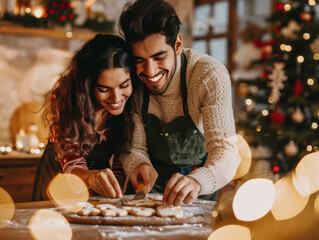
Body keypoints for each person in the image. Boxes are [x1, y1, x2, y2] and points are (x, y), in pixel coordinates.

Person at [118, 0, 241, 206]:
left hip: (197, 192)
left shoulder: (208, 75)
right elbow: (134, 147)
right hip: (147, 192)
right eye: (139, 60)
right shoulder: (131, 78)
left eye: (159, 57)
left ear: (177, 45)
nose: (149, 72)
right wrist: (137, 163)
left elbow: (227, 152)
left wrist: (196, 181)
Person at [32, 34, 136, 201]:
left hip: (94, 182)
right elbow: (73, 166)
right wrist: (91, 178)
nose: (116, 98)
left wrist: (114, 190)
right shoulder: (66, 101)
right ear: (88, 84)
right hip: (58, 182)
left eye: (124, 85)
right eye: (104, 89)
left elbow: (120, 158)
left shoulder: (127, 107)